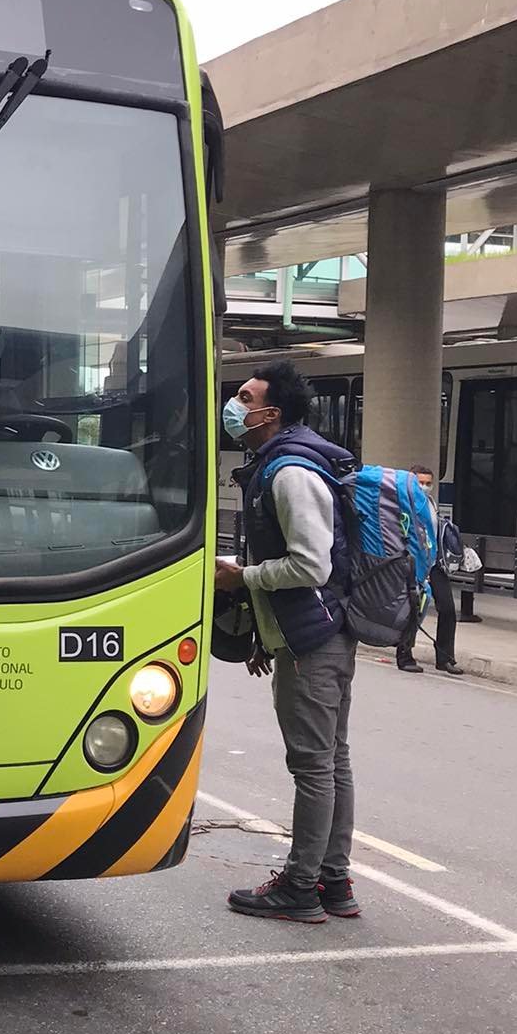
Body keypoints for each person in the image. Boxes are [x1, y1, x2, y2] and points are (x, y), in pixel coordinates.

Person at [215, 360, 359, 925]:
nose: (235, 405)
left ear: (269, 413)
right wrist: (263, 636)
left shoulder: (290, 472)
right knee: (332, 761)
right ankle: (334, 881)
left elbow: (309, 564)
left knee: (314, 766)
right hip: (318, 635)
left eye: (245, 397)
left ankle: (301, 887)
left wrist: (241, 576)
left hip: (315, 640)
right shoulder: (282, 462)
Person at [397, 466, 464, 676]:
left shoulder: (431, 504)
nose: (425, 487)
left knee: (448, 609)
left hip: (434, 563)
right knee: (414, 609)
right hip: (414, 563)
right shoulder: (404, 504)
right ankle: (405, 655)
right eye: (420, 483)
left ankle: (445, 658)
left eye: (428, 483)